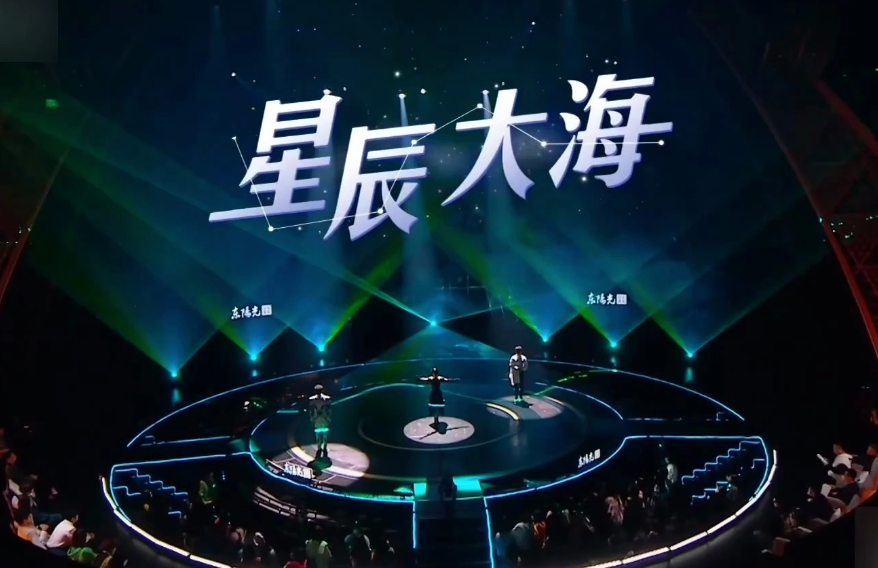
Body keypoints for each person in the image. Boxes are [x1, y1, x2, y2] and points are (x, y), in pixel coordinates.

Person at [309, 385, 332, 458]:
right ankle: (319, 448)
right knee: (318, 435)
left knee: (325, 435)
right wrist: (312, 419)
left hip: (324, 419)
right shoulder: (312, 400)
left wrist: (329, 419)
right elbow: (311, 411)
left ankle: (324, 447)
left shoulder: (327, 399)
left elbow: (329, 410)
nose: (318, 392)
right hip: (317, 419)